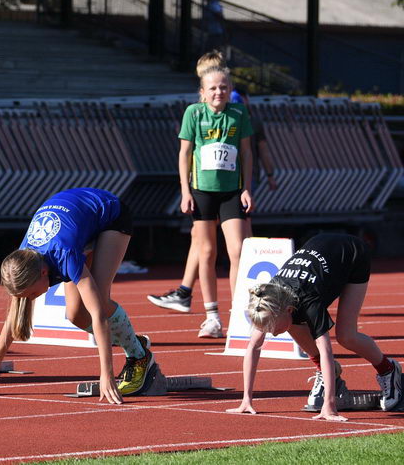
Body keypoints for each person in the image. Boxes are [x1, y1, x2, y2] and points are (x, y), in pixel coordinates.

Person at [0, 188, 155, 401]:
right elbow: (12, 320)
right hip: (79, 222)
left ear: (44, 272)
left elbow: (98, 315)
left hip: (110, 215)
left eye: (32, 294)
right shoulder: (22, 261)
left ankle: (139, 356)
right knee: (75, 315)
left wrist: (106, 375)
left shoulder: (65, 255)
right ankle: (134, 342)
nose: (30, 299)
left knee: (98, 299)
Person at [227, 234, 403, 420]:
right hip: (320, 254)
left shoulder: (309, 304)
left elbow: (326, 350)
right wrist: (246, 399)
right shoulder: (267, 299)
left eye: (272, 328)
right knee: (291, 324)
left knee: (346, 336)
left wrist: (329, 405)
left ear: (287, 309)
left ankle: (388, 370)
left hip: (351, 254)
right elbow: (253, 347)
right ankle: (329, 373)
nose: (271, 333)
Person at [149, 65, 254, 339]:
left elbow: (246, 152)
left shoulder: (239, 113)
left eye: (223, 87)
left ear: (230, 90)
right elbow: (184, 153)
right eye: (213, 88)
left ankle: (240, 314)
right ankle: (212, 318)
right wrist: (184, 191)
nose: (218, 92)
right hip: (202, 192)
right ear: (203, 93)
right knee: (206, 253)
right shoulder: (193, 114)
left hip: (231, 191)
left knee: (238, 252)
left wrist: (247, 188)